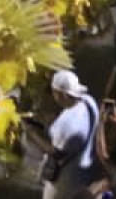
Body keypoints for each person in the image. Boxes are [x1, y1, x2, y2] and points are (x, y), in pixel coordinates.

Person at [41, 69, 102, 199]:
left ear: (61, 95)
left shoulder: (67, 124)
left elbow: (55, 153)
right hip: (85, 175)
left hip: (63, 182)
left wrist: (30, 133)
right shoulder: (89, 101)